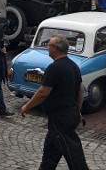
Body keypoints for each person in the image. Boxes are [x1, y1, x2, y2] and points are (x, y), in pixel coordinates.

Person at [19, 34, 89, 170]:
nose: (47, 47)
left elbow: (43, 92)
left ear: (56, 48)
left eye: (49, 45)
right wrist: (78, 111)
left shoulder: (54, 68)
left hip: (60, 117)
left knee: (73, 153)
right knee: (51, 150)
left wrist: (27, 106)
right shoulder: (73, 65)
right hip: (67, 114)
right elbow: (80, 90)